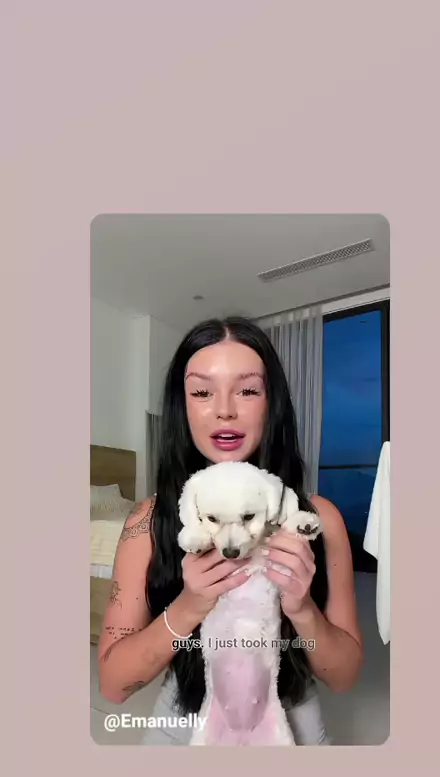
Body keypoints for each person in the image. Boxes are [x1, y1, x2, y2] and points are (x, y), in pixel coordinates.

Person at [97, 316, 363, 745]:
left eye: (247, 390)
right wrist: (188, 607)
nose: (225, 409)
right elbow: (113, 685)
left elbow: (344, 676)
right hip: (186, 719)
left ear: (271, 403)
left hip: (289, 720)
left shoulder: (319, 518)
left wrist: (301, 609)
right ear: (182, 407)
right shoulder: (147, 522)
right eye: (202, 392)